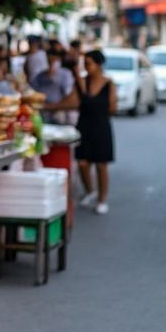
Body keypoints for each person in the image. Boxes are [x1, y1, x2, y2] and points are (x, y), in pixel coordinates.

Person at [75, 50, 118, 215]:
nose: (87, 67)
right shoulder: (82, 82)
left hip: (101, 126)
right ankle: (90, 191)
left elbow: (113, 107)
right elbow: (74, 101)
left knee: (101, 164)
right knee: (82, 162)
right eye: (85, 64)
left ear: (98, 65)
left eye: (89, 64)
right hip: (84, 125)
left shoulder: (109, 84)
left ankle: (102, 199)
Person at [30, 47, 78, 125]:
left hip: (60, 113)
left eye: (54, 60)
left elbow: (68, 95)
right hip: (44, 113)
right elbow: (34, 92)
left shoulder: (65, 74)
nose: (51, 63)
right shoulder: (40, 76)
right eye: (49, 60)